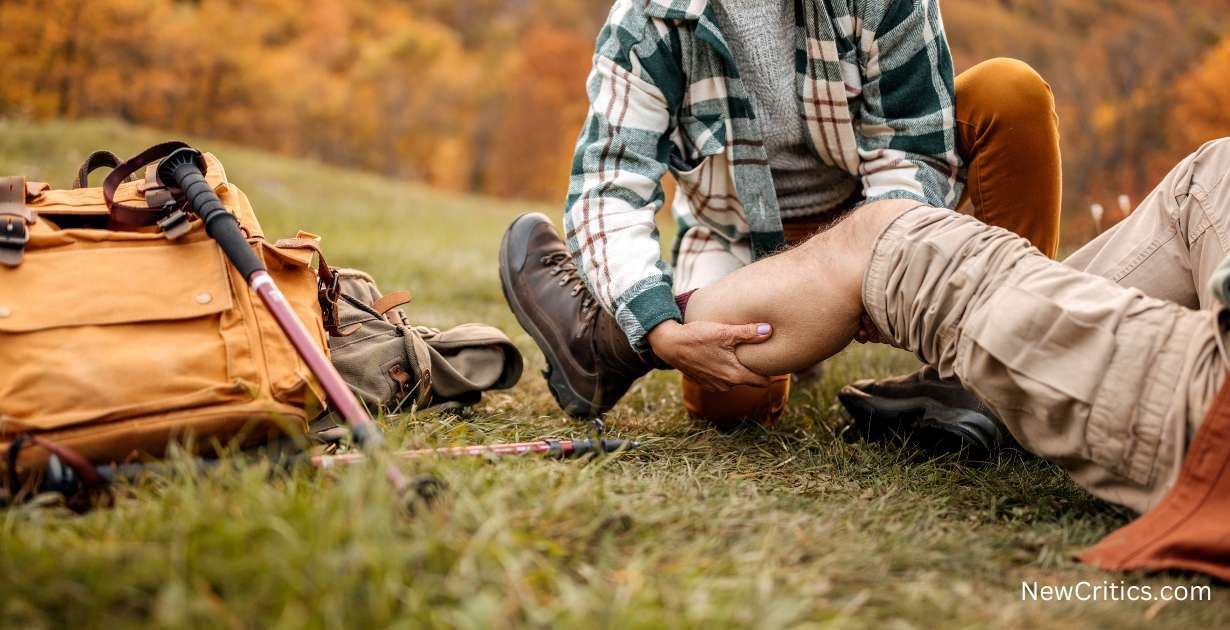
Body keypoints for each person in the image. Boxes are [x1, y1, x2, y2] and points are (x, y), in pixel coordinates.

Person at [499, 0, 1062, 437]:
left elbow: (914, 150)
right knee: (730, 405)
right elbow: (610, 185)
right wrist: (657, 326)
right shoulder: (647, 20)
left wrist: (878, 264)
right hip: (740, 236)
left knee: (1009, 93)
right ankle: (610, 342)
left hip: (877, 208)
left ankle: (988, 373)